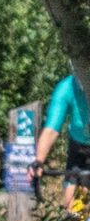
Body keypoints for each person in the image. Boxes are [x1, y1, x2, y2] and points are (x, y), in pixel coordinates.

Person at [31, 66, 90, 197]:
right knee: (70, 202)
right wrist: (39, 161)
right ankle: (73, 215)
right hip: (78, 147)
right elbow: (51, 129)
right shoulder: (66, 88)